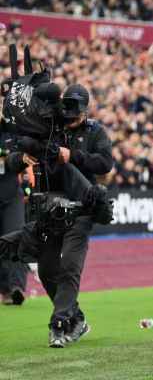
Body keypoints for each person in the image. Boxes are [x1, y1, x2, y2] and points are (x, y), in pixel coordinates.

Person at [4, 84, 113, 347]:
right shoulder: (50, 127)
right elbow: (11, 158)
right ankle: (77, 319)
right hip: (50, 207)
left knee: (70, 267)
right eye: (67, 107)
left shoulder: (96, 131)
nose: (70, 115)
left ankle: (60, 325)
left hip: (83, 207)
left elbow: (105, 163)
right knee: (46, 268)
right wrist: (23, 157)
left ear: (86, 111)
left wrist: (72, 155)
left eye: (76, 110)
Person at [0, 121, 28, 306]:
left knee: (17, 236)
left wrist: (8, 160)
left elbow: (22, 160)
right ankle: (5, 290)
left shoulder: (12, 128)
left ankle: (17, 287)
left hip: (11, 192)